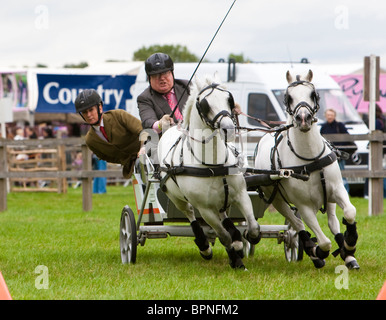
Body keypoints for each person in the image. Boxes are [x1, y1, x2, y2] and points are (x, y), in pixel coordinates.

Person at [75, 89, 144, 178]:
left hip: (150, 156)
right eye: (84, 112)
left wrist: (143, 147)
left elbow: (143, 131)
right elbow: (106, 157)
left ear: (99, 107)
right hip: (132, 169)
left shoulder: (119, 116)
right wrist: (126, 160)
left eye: (91, 110)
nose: (88, 115)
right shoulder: (90, 140)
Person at [137, 53, 190, 134]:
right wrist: (160, 124)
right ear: (149, 79)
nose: (162, 78)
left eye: (165, 73)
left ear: (172, 73)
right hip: (165, 142)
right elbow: (148, 122)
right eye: (156, 75)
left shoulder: (188, 86)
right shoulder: (144, 98)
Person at [320, 108, 351, 192]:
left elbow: (347, 138)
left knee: (342, 174)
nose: (330, 117)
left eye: (331, 115)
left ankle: (345, 192)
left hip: (338, 155)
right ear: (325, 116)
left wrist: (339, 149)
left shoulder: (340, 125)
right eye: (328, 115)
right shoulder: (323, 127)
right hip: (327, 155)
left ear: (334, 116)